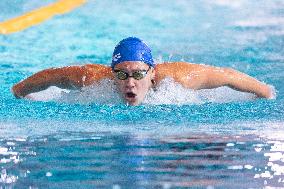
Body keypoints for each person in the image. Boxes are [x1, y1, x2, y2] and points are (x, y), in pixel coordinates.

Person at [12, 37, 273, 105]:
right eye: (122, 74)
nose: (130, 83)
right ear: (111, 73)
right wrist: (19, 92)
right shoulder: (92, 78)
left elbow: (227, 76)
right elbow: (51, 76)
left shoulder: (176, 79)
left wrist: (266, 95)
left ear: (151, 72)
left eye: (138, 74)